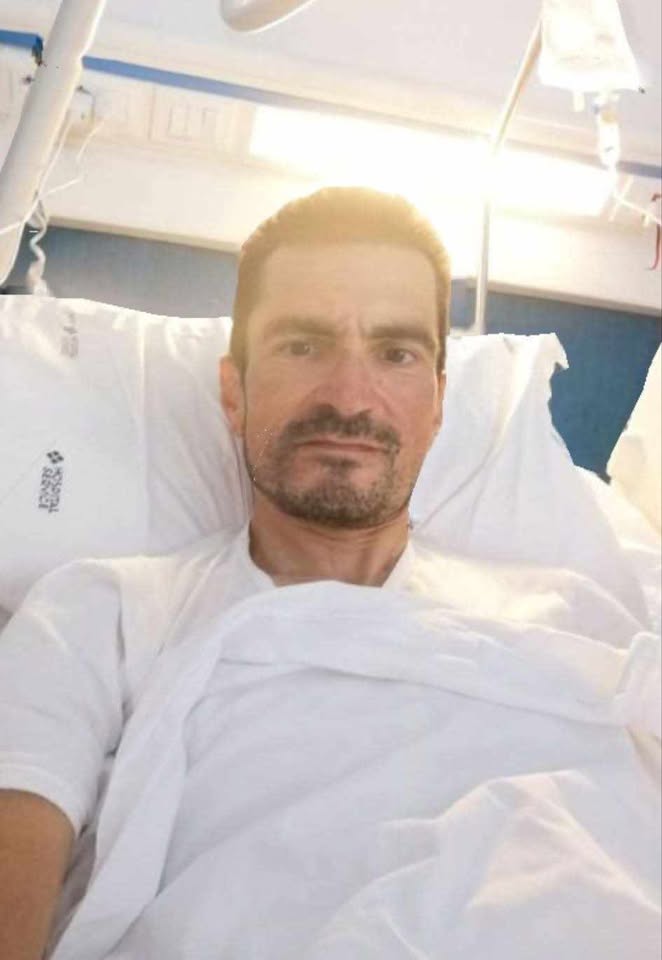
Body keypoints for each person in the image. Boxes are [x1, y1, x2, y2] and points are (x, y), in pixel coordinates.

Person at [0, 188, 659, 960]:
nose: (349, 397)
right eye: (303, 346)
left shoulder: (579, 622)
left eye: (396, 353)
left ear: (439, 404)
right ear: (234, 392)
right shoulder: (102, 613)